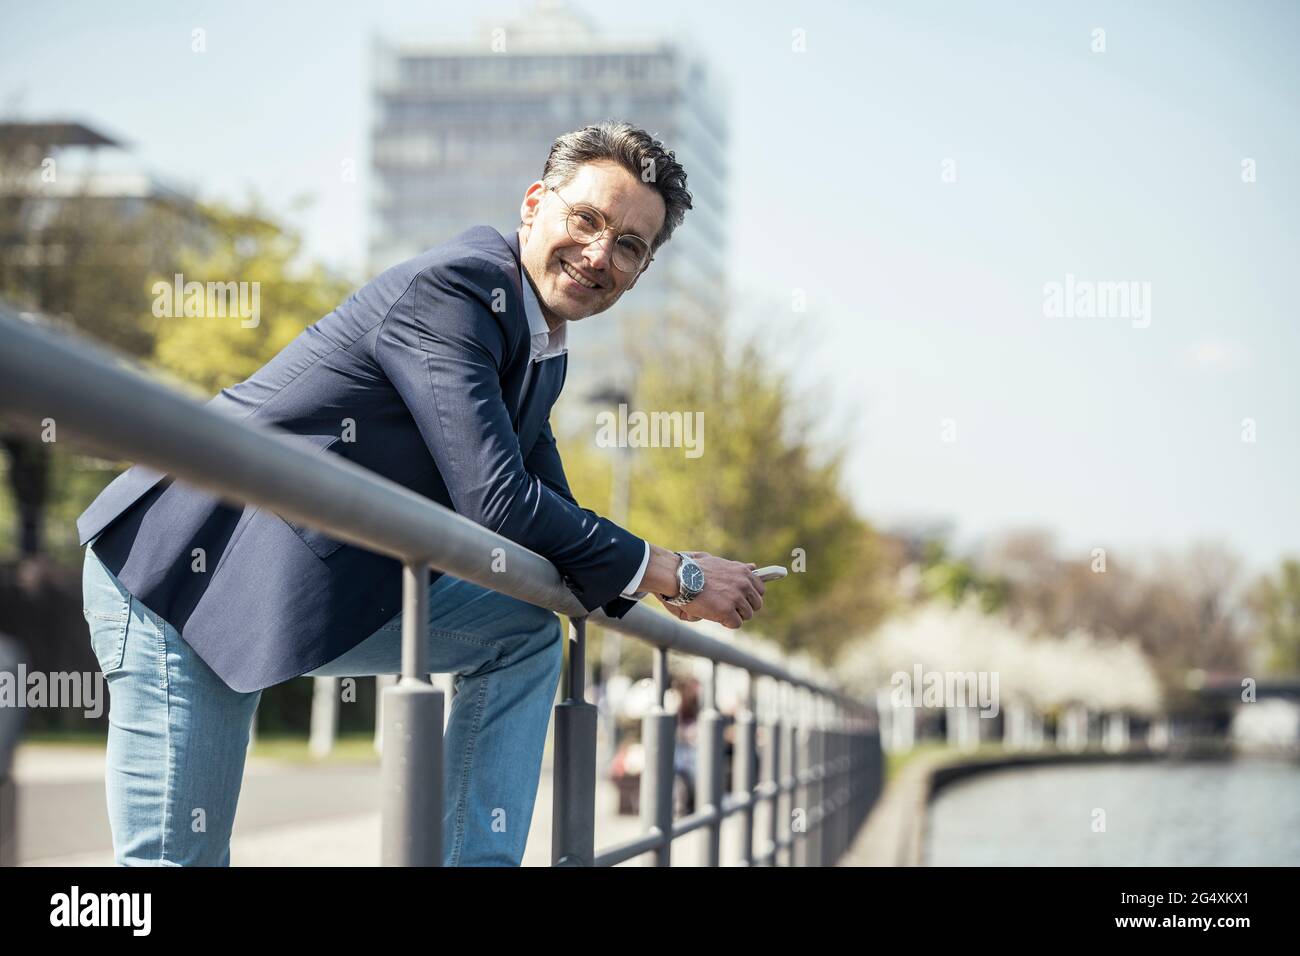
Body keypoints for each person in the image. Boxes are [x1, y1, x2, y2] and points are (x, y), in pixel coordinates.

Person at [76, 121, 766, 866]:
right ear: (534, 204)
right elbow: (498, 502)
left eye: (629, 245)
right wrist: (675, 571)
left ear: (641, 270)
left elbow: (548, 518)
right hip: (180, 572)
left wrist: (663, 584)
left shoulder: (540, 348)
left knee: (522, 632)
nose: (599, 254)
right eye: (587, 219)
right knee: (171, 869)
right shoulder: (457, 291)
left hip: (289, 583)